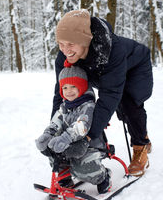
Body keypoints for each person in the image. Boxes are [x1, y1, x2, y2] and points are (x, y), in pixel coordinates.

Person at [52, 9, 153, 177]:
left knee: (128, 104)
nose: (65, 49)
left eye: (70, 44)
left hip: (135, 68)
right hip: (104, 72)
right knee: (80, 99)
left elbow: (110, 95)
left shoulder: (113, 49)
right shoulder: (64, 57)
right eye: (61, 43)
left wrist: (88, 137)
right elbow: (60, 94)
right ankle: (140, 133)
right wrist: (56, 127)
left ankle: (140, 145)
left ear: (84, 40)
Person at [36, 63, 112, 194]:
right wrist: (48, 134)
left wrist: (65, 138)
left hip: (89, 145)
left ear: (82, 87)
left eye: (73, 86)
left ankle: (103, 176)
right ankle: (65, 179)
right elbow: (57, 120)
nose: (68, 91)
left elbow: (81, 126)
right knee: (54, 153)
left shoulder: (88, 106)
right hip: (69, 144)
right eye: (65, 87)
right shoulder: (65, 105)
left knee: (82, 168)